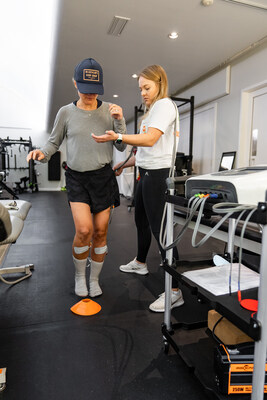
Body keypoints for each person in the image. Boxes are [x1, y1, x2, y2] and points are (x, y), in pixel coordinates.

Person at [27, 57, 126, 298]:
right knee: (84, 230)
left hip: (103, 177)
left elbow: (121, 147)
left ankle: (94, 279)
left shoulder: (110, 111)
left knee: (101, 232)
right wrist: (42, 153)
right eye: (85, 90)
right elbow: (53, 142)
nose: (90, 95)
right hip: (77, 178)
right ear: (75, 84)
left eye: (94, 91)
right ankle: (80, 276)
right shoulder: (66, 112)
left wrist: (120, 121)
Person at [92, 64, 184, 312]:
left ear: (159, 84)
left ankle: (174, 291)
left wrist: (118, 137)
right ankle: (141, 262)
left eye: (147, 87)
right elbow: (144, 150)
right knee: (141, 221)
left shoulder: (164, 105)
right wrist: (123, 163)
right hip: (146, 172)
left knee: (161, 230)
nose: (142, 92)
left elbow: (151, 139)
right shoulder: (152, 110)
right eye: (140, 88)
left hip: (159, 175)